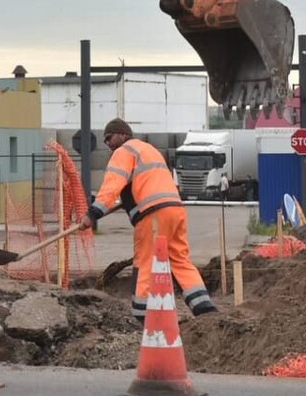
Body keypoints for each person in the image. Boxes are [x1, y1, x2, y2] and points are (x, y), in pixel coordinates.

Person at [79, 118, 217, 321]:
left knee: (145, 262)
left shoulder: (124, 151)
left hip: (153, 215)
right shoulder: (149, 150)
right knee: (180, 260)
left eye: (110, 137)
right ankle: (205, 312)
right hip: (175, 210)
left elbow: (111, 185)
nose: (107, 143)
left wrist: (92, 214)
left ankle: (142, 317)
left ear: (123, 135)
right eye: (105, 140)